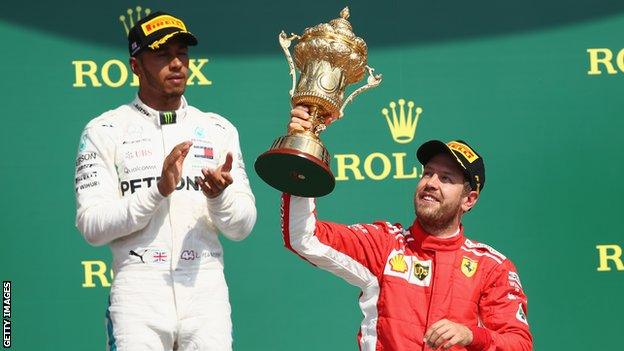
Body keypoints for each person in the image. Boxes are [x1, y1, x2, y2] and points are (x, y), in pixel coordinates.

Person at [74, 11, 256, 351]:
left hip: (205, 292)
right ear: (135, 66)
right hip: (138, 293)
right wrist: (157, 192)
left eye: (182, 54)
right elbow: (92, 226)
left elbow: (242, 226)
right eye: (162, 54)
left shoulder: (218, 129)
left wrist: (219, 198)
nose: (177, 64)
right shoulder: (104, 130)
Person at [281, 106, 532, 351]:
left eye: (445, 178)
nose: (431, 183)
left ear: (469, 199)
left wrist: (471, 335)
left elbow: (519, 344)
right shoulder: (385, 245)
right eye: (428, 173)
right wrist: (300, 154)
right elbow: (305, 237)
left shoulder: (492, 268)